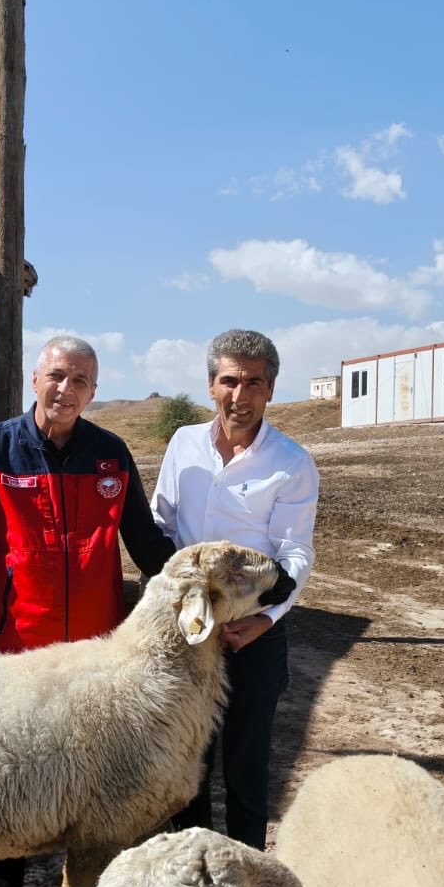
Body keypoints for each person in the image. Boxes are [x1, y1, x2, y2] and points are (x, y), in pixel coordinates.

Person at [0, 334, 176, 887]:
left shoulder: (111, 454)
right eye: (57, 376)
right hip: (14, 651)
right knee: (7, 784)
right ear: (35, 379)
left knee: (91, 783)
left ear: (93, 392)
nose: (66, 389)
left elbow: (148, 544)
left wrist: (196, 577)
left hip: (95, 657)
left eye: (80, 381)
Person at [153, 329, 319, 850]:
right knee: (187, 763)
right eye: (229, 381)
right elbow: (162, 523)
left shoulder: (291, 464)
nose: (239, 396)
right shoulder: (183, 444)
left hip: (252, 637)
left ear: (270, 389)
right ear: (210, 386)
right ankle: (193, 865)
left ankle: (246, 875)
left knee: (246, 766)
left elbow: (294, 555)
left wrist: (262, 621)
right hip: (187, 632)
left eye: (253, 383)